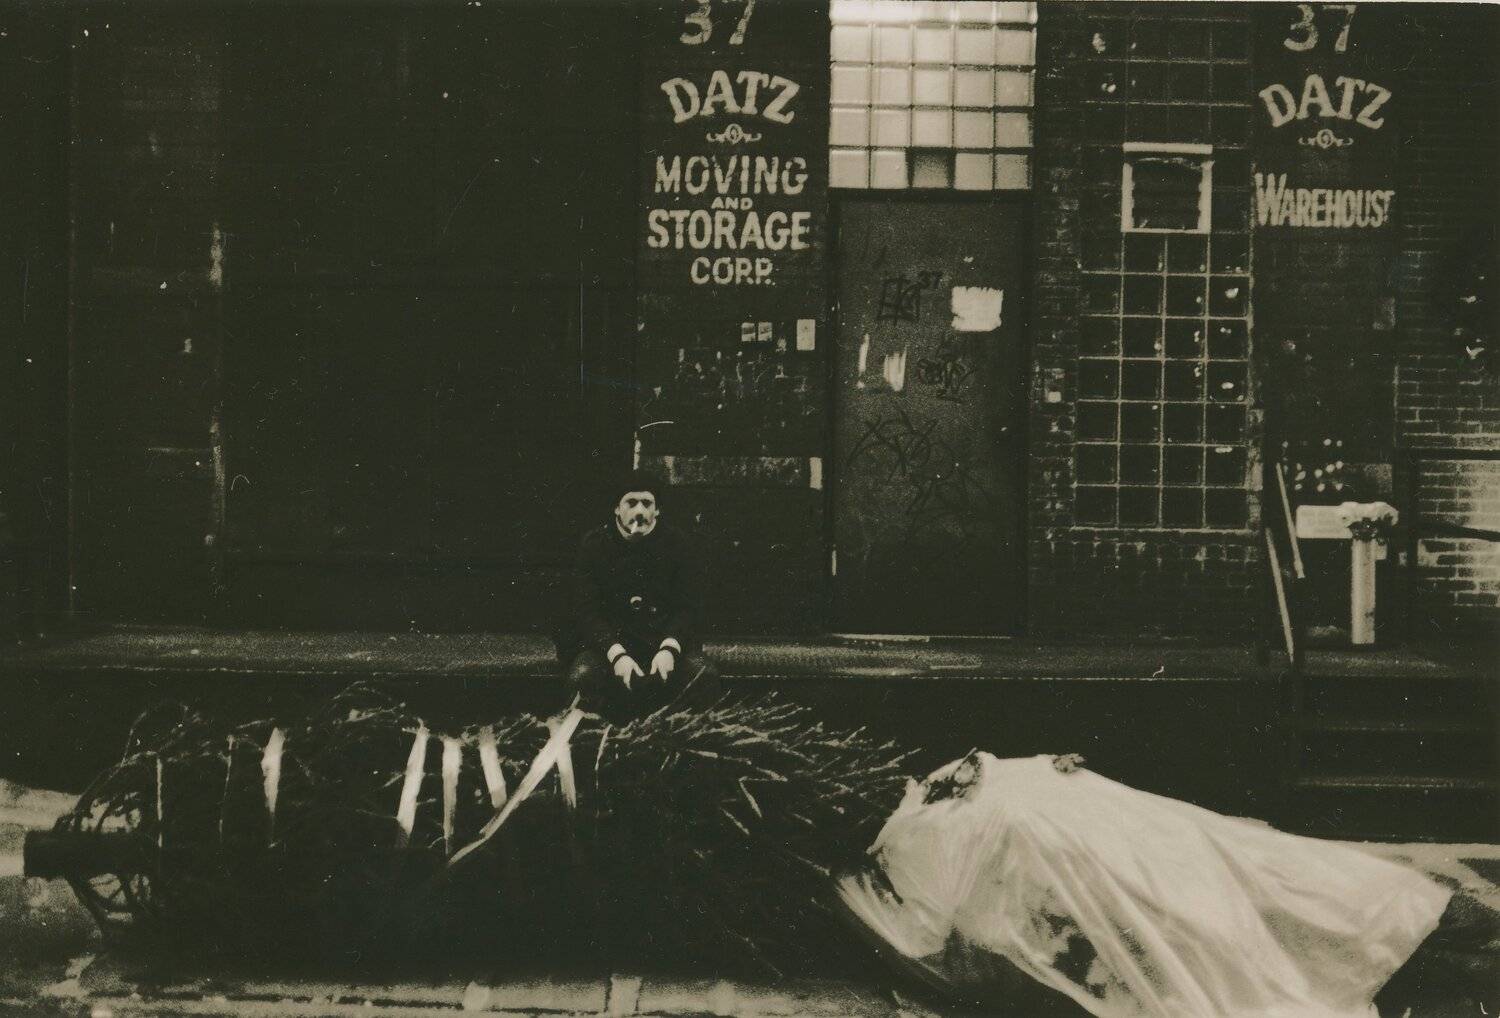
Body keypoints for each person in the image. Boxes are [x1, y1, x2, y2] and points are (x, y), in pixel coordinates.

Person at [556, 471, 721, 718]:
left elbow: (689, 607)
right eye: (631, 503)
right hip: (610, 646)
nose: (639, 512)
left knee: (703, 675)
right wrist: (616, 654)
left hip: (663, 642)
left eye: (647, 503)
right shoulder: (595, 546)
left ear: (657, 510)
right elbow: (587, 611)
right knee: (583, 676)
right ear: (617, 509)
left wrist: (669, 648)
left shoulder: (677, 544)